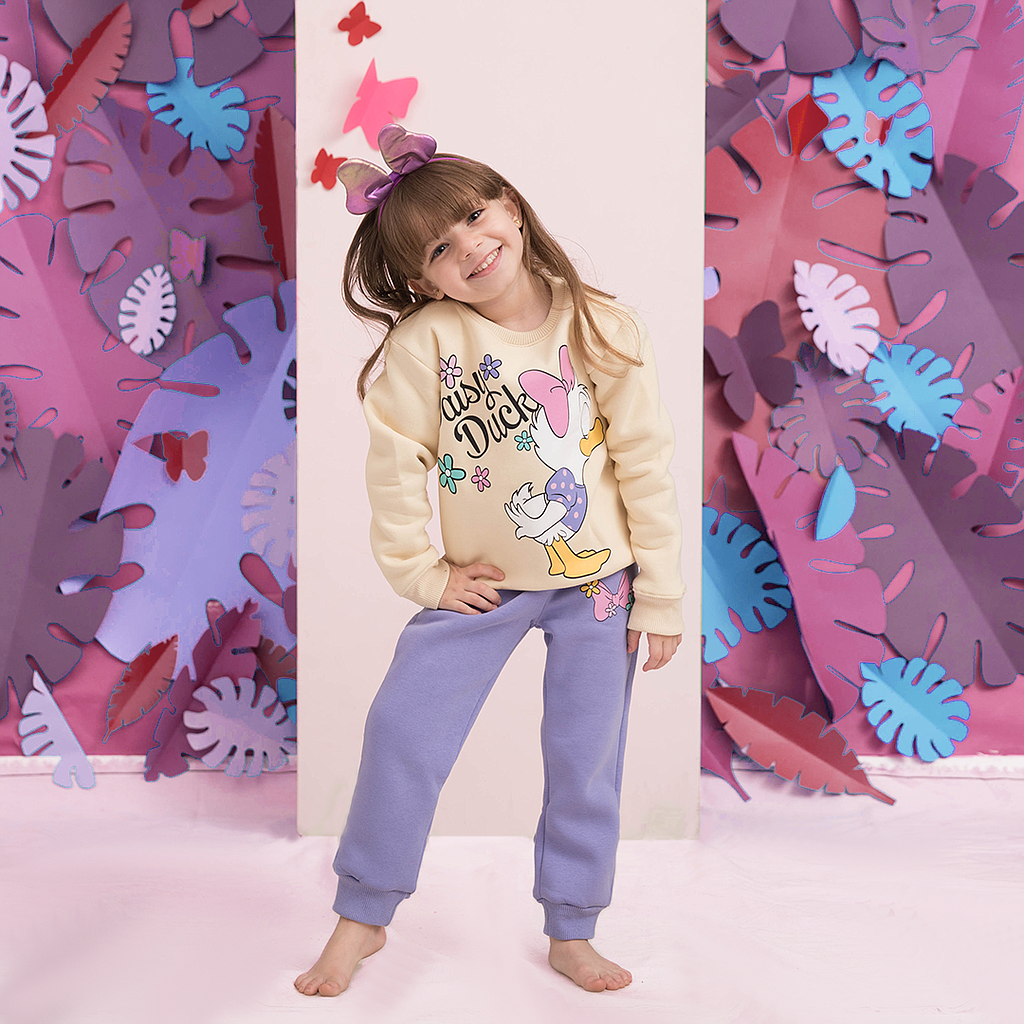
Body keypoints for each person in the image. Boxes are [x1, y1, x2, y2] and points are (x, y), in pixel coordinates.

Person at [295, 124, 684, 997]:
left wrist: (660, 593)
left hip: (599, 586)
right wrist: (423, 574)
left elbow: (645, 463)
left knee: (585, 758)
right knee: (403, 730)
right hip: (484, 589)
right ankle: (363, 916)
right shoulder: (428, 342)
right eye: (439, 247)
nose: (469, 246)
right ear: (421, 280)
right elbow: (395, 464)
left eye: (474, 217)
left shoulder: (601, 324)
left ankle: (573, 927)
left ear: (510, 206)